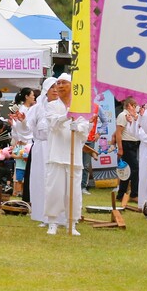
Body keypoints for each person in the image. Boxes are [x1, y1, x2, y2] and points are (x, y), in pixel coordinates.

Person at [44, 74, 90, 236]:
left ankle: (72, 222)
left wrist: (79, 127)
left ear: (72, 86)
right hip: (56, 153)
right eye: (58, 83)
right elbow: (53, 123)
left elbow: (86, 127)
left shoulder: (81, 106)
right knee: (54, 189)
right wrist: (66, 117)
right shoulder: (52, 106)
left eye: (64, 83)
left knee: (74, 192)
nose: (60, 86)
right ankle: (53, 221)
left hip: (74, 155)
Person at [27, 77, 58, 223]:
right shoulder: (37, 108)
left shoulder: (63, 106)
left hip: (57, 147)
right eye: (52, 87)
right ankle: (42, 215)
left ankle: (58, 215)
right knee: (41, 179)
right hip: (41, 148)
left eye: (57, 86)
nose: (55, 90)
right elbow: (26, 128)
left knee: (55, 181)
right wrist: (20, 122)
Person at [115, 95, 141, 206]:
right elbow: (118, 132)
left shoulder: (133, 116)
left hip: (134, 144)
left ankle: (121, 195)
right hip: (126, 144)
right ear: (130, 105)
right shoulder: (123, 115)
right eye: (135, 106)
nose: (137, 108)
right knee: (134, 169)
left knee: (128, 171)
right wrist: (120, 148)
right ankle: (134, 194)